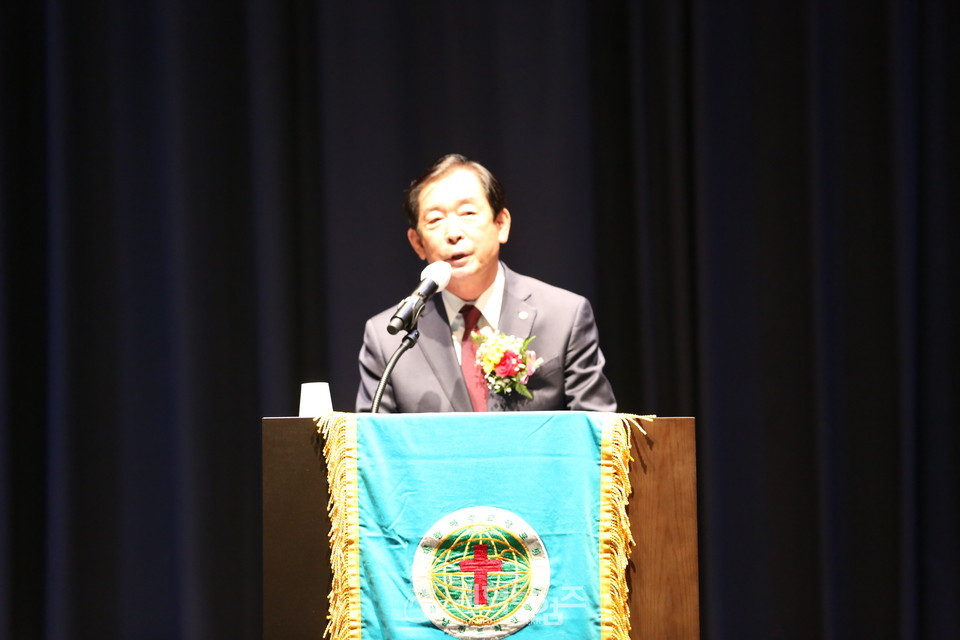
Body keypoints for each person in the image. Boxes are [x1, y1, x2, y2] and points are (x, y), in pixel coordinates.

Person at [356, 153, 616, 413]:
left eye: (467, 213)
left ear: (501, 224)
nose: (453, 233)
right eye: (435, 220)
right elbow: (372, 445)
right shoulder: (388, 338)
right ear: (417, 243)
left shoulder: (564, 316)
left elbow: (597, 429)